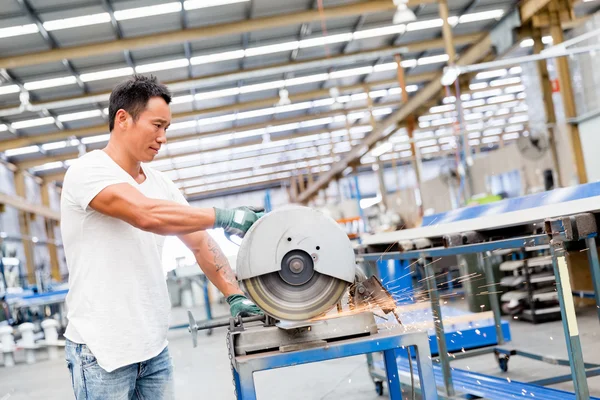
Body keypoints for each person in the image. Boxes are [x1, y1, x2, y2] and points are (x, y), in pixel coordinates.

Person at [60, 74, 264, 399]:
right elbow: (145, 214)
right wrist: (224, 216)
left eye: (166, 128)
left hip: (154, 349)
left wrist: (234, 294)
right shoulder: (87, 171)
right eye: (156, 125)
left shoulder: (162, 184)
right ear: (123, 119)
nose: (163, 137)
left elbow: (199, 242)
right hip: (103, 352)